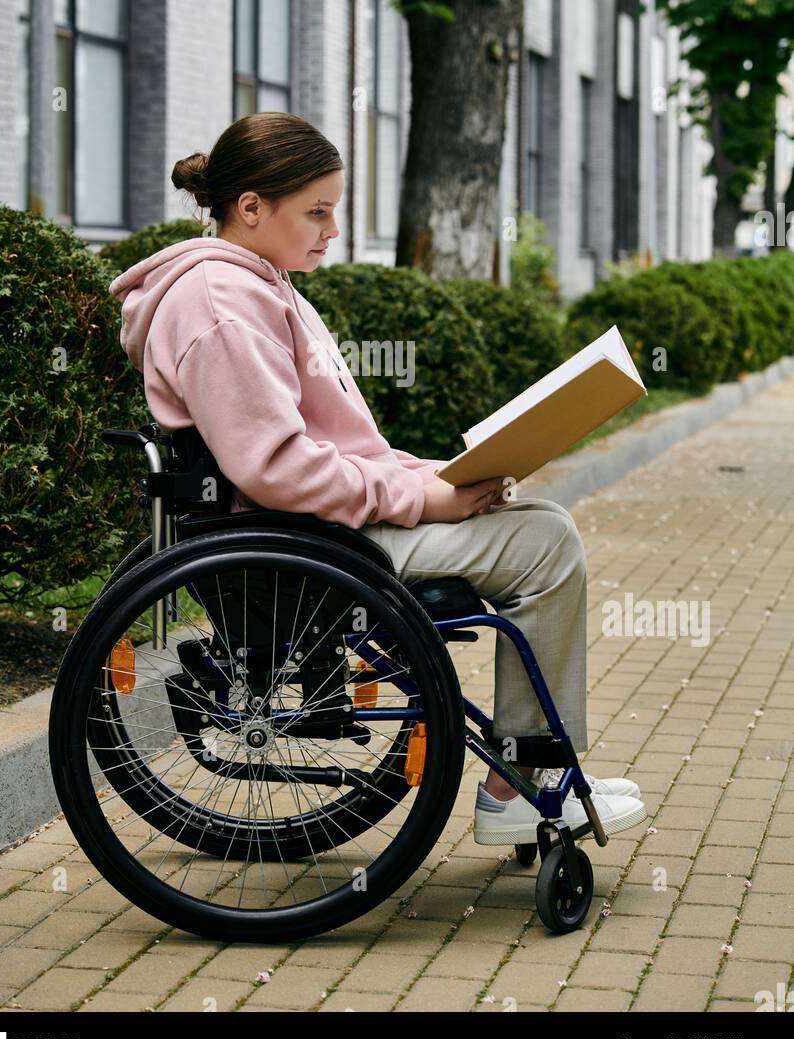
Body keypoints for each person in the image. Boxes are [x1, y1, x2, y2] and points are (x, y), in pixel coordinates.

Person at [109, 111, 645, 846]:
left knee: (541, 527)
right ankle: (522, 781)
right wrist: (425, 498)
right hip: (312, 546)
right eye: (317, 212)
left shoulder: (261, 288)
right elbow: (275, 467)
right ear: (252, 207)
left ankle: (528, 772)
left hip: (322, 529)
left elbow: (329, 446)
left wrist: (441, 477)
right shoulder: (223, 304)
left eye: (335, 211)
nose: (330, 230)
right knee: (547, 547)